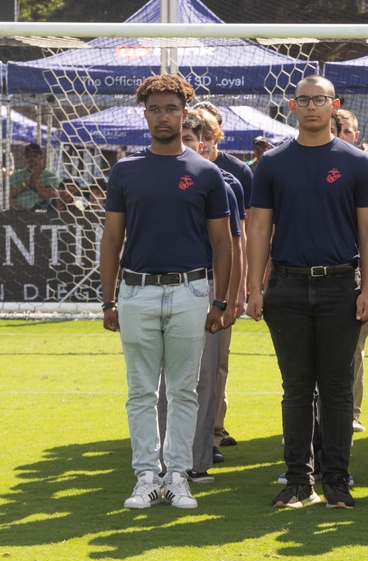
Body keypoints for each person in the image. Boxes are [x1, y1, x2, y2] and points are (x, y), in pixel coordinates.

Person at [246, 75, 368, 510]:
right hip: (286, 286)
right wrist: (254, 286)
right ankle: (298, 482)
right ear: (291, 106)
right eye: (303, 100)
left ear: (334, 105)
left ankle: (337, 483)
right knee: (297, 388)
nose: (311, 107)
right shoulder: (272, 164)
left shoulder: (357, 162)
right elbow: (260, 227)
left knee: (338, 388)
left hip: (342, 286)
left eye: (319, 100)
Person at [99, 73, 232, 510]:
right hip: (135, 292)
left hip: (190, 291)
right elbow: (112, 239)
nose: (163, 116)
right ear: (145, 113)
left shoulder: (207, 173)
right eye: (155, 109)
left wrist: (219, 300)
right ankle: (145, 476)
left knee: (183, 390)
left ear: (184, 113)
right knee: (140, 390)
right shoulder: (125, 170)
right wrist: (108, 298)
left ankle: (177, 476)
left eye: (171, 108)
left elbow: (223, 243)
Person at [176, 109, 245, 483]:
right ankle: (166, 458)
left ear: (203, 144)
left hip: (207, 287)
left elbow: (235, 243)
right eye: (180, 139)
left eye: (190, 140)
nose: (184, 146)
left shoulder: (226, 182)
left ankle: (199, 456)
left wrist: (232, 295)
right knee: (166, 381)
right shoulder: (152, 174)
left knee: (205, 377)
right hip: (166, 287)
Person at [192, 101, 252, 455]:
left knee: (215, 364)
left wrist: (240, 290)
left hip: (216, 282)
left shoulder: (235, 176)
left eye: (201, 136)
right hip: (184, 280)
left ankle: (211, 432)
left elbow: (241, 236)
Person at [333, 108, 368, 433]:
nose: (344, 134)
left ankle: (351, 413)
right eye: (340, 129)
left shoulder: (362, 168)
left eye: (348, 130)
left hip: (352, 275)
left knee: (354, 350)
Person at [10, 143, 60, 211]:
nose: (31, 159)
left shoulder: (51, 176)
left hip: (43, 213)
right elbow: (9, 194)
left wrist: (36, 182)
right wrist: (25, 184)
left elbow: (50, 197)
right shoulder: (17, 174)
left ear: (41, 156)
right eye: (28, 157)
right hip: (18, 212)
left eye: (35, 156)